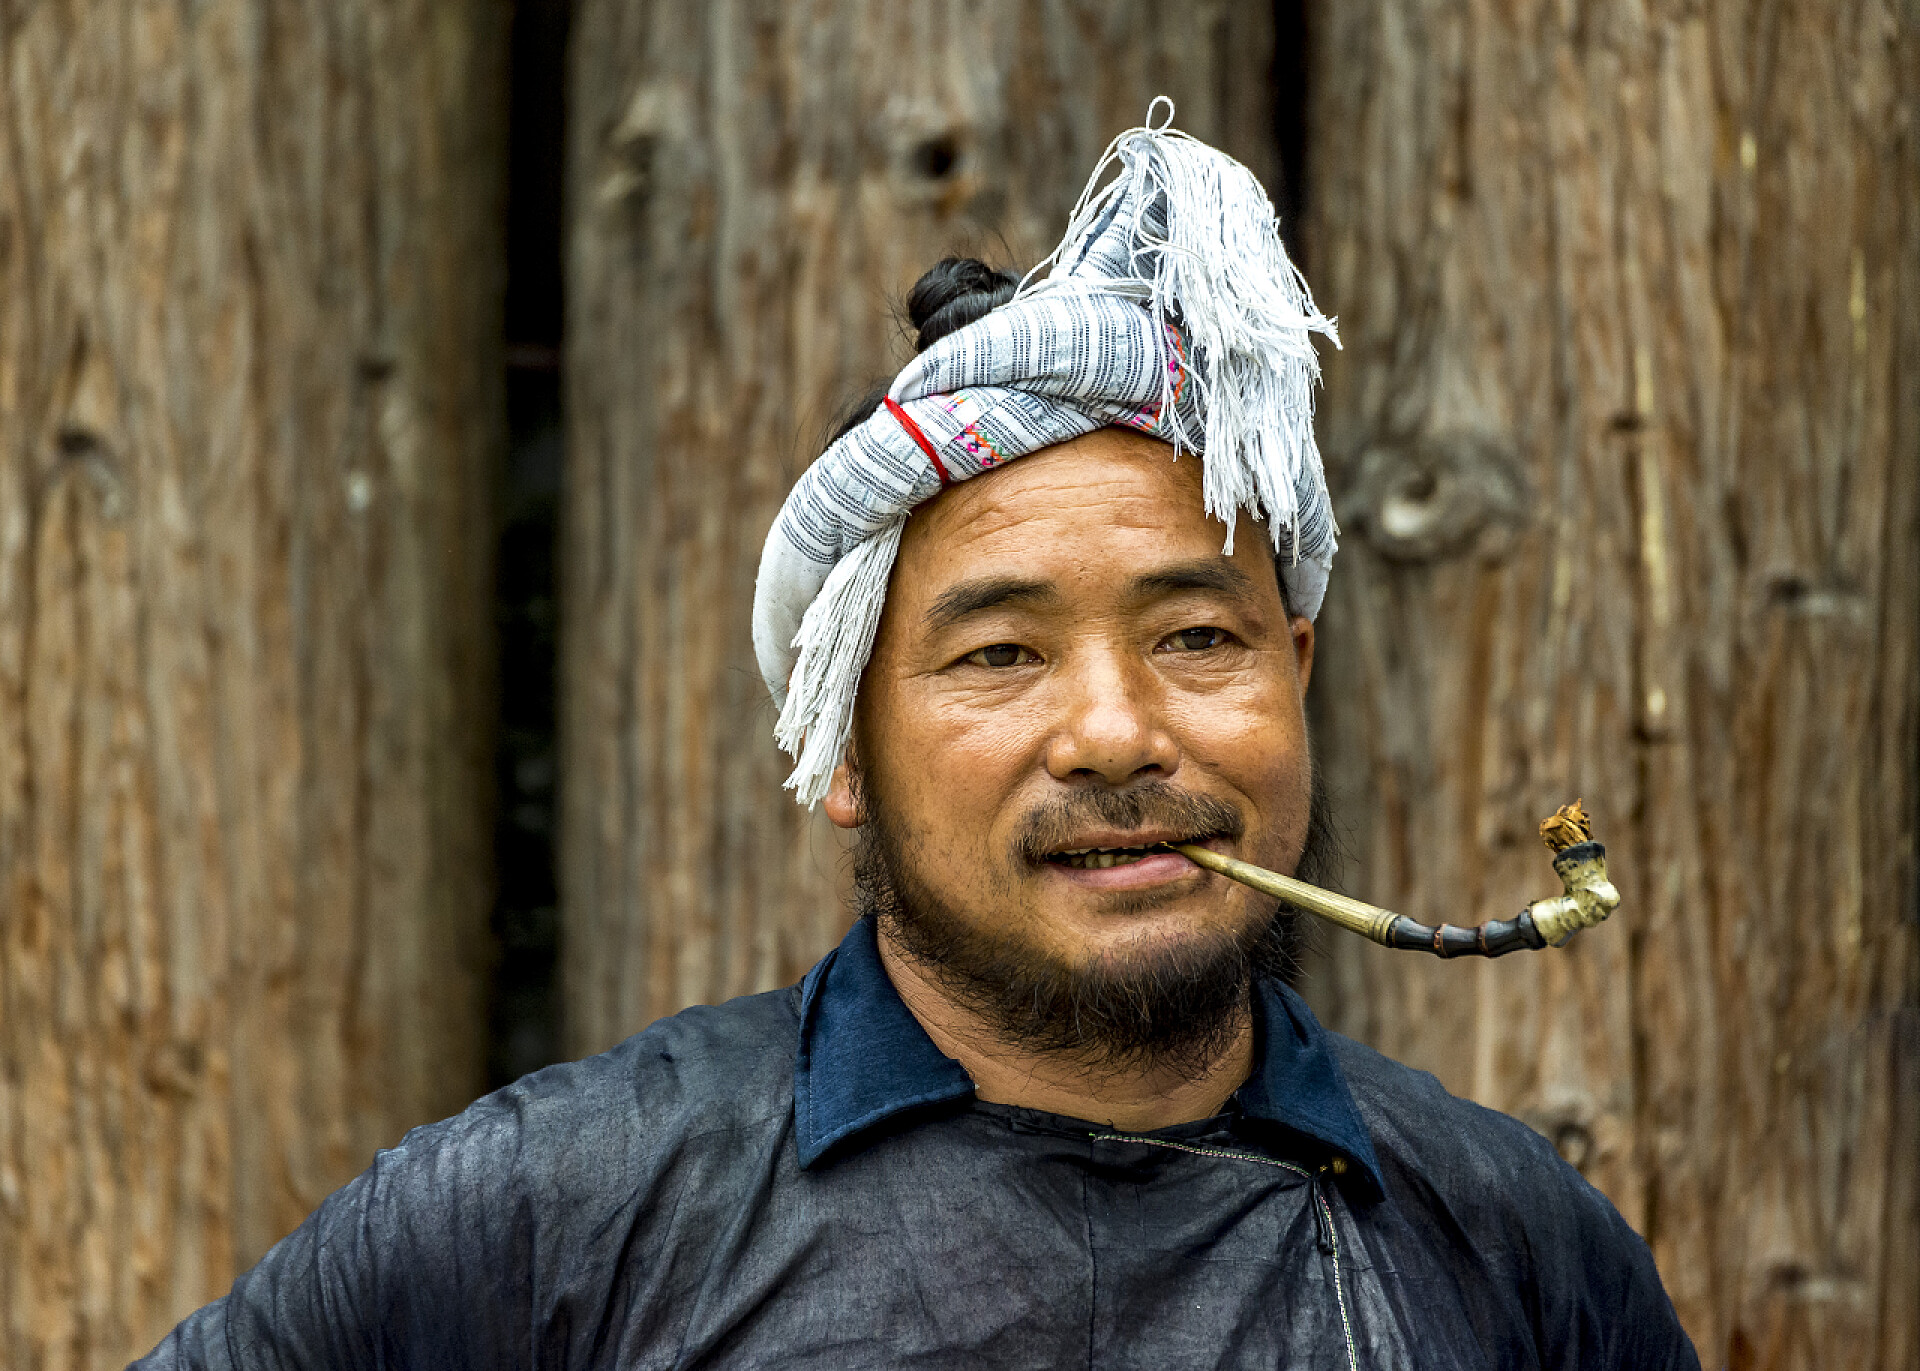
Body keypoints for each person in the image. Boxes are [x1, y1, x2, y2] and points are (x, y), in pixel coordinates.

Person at [138, 105, 1699, 1371]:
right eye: (1001, 653)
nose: (1114, 730)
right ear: (842, 754)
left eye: (1196, 638)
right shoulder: (554, 1216)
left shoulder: (1515, 1252)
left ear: (1295, 672)